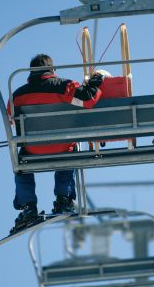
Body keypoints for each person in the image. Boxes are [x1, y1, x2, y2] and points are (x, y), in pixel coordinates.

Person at [7, 54, 104, 231]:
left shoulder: (17, 95)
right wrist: (95, 84)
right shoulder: (63, 85)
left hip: (32, 149)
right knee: (70, 148)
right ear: (52, 70)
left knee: (19, 161)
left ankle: (28, 206)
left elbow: (10, 119)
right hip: (62, 146)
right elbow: (88, 100)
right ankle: (63, 198)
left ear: (30, 72)